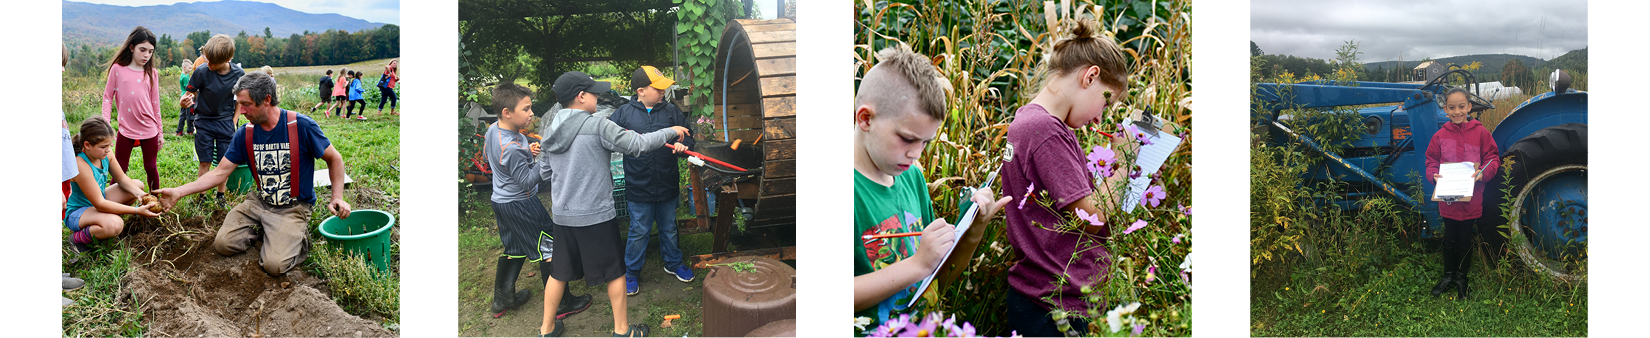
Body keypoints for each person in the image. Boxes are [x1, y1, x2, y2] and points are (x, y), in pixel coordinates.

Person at [851, 44, 1008, 326]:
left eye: (926, 142)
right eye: (908, 139)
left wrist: (973, 230)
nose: (916, 154)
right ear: (865, 119)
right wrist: (917, 264)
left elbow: (938, 280)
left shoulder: (911, 177)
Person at [998, 19, 1134, 337]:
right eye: (1106, 101)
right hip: (1050, 307)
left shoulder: (1041, 124)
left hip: (1051, 300)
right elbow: (1092, 214)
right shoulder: (1044, 131)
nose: (1100, 117)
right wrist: (1128, 162)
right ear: (1090, 76)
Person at [536, 71, 688, 338]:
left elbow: (545, 174)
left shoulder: (550, 130)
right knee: (615, 272)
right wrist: (671, 130)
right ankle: (622, 331)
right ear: (581, 97)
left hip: (563, 215)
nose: (598, 96)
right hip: (596, 214)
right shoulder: (597, 124)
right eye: (594, 92)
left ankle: (546, 329)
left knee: (558, 272)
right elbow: (637, 144)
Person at [154, 72, 351, 276]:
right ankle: (269, 231)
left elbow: (334, 159)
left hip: (293, 206)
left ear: (266, 99)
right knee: (223, 244)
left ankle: (294, 238)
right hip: (259, 202)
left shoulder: (300, 125)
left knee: (274, 266)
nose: (241, 110)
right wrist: (179, 191)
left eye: (246, 104)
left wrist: (337, 197)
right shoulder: (245, 133)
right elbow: (219, 173)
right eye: (239, 103)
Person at [482, 83, 593, 320]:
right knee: (550, 247)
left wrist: (525, 153)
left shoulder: (494, 130)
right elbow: (527, 181)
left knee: (513, 248)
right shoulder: (511, 146)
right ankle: (563, 304)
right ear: (507, 112)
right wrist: (545, 156)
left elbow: (489, 157)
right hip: (521, 203)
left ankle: (503, 298)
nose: (531, 113)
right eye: (526, 108)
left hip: (500, 202)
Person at [610, 66, 696, 296]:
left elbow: (690, 138)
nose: (662, 93)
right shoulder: (624, 114)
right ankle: (632, 271)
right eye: (657, 89)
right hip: (638, 186)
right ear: (640, 91)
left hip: (667, 183)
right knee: (639, 230)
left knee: (669, 227)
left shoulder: (670, 112)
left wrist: (683, 146)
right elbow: (608, 140)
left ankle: (673, 263)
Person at [1425, 87, 1499, 300]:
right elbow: (1431, 161)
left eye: (1461, 107)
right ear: (1445, 109)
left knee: (1465, 238)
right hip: (1448, 200)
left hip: (1471, 199)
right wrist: (1434, 175)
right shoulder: (1439, 136)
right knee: (1449, 238)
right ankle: (1448, 276)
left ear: (1469, 107)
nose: (1457, 111)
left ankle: (1461, 278)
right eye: (1451, 107)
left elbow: (1493, 158)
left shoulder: (1481, 133)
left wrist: (1482, 174)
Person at [66, 117, 161, 253]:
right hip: (79, 211)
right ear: (87, 145)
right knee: (115, 225)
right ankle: (77, 238)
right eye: (103, 147)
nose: (108, 150)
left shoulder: (106, 154)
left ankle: (103, 222)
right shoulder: (80, 163)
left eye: (109, 145)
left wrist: (142, 195)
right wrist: (136, 211)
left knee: (137, 186)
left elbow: (121, 178)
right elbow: (99, 203)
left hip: (98, 200)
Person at [180, 34, 243, 202]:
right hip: (204, 122)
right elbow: (188, 94)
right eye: (207, 59)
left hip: (226, 122)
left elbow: (240, 100)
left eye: (213, 62)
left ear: (228, 58)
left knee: (224, 163)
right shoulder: (201, 71)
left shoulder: (239, 74)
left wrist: (234, 121)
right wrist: (184, 101)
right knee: (204, 162)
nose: (209, 64)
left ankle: (220, 196)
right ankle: (202, 196)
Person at [102, 26, 164, 192]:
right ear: (131, 47)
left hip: (149, 128)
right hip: (126, 128)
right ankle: (110, 203)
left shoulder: (152, 73)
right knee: (119, 167)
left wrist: (160, 132)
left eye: (150, 52)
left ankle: (153, 202)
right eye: (142, 50)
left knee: (151, 167)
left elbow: (155, 104)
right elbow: (107, 97)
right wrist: (105, 125)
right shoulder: (117, 69)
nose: (146, 55)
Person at [176, 60, 195, 136]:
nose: (190, 70)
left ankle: (179, 131)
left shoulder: (185, 75)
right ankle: (190, 131)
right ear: (184, 67)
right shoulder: (184, 77)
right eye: (189, 68)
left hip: (183, 96)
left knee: (183, 115)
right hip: (187, 96)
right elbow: (188, 88)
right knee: (189, 115)